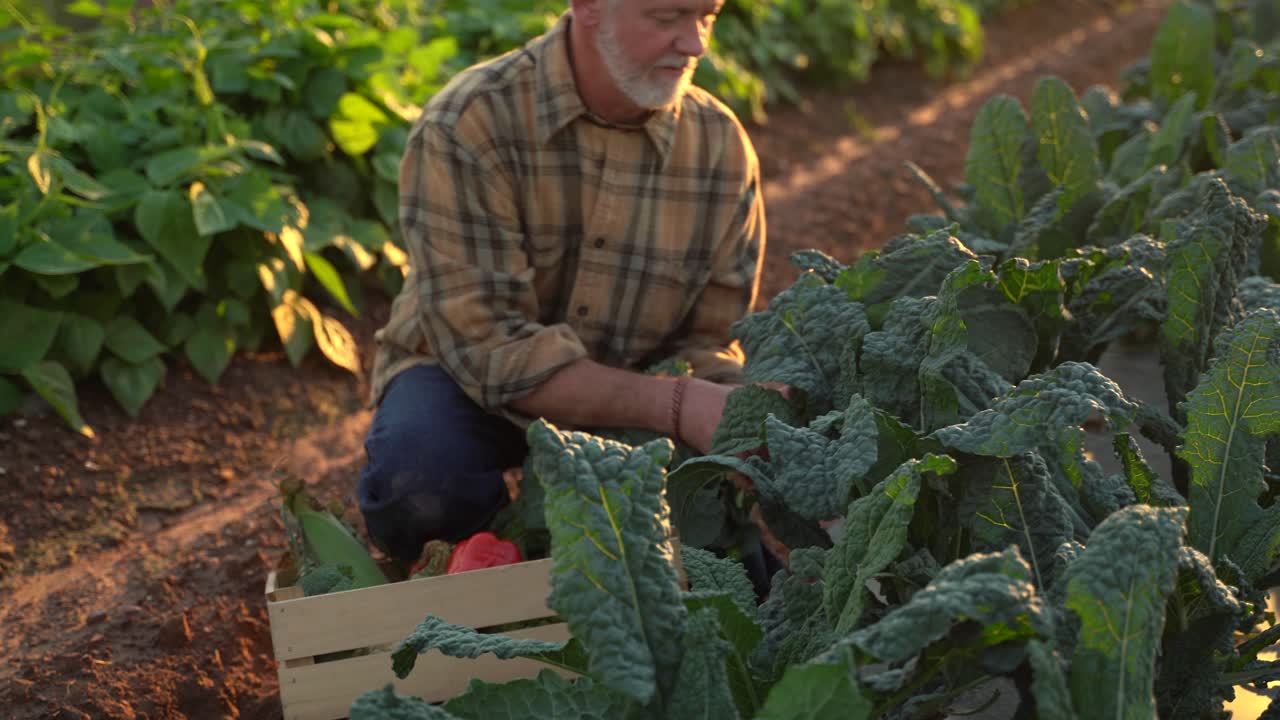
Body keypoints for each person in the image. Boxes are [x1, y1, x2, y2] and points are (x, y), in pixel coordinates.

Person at [358, 0, 766, 576]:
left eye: (707, 15)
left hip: (635, 385)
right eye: (666, 17)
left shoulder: (720, 148)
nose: (696, 43)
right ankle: (476, 571)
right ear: (588, 7)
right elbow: (489, 348)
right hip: (466, 380)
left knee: (721, 546)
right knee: (420, 482)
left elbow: (710, 338)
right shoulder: (470, 121)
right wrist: (678, 404)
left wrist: (739, 410)